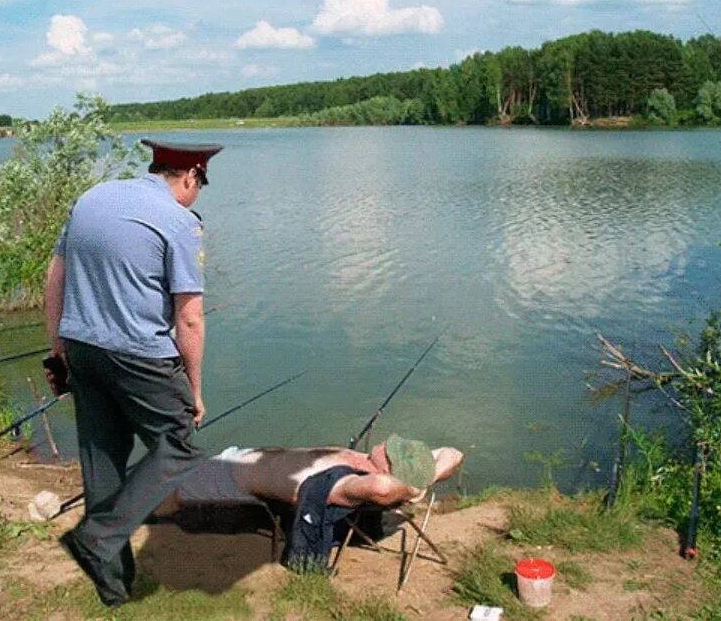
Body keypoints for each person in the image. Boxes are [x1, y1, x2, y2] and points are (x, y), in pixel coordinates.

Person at [44, 138, 223, 607]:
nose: (196, 194)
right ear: (190, 177)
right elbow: (189, 317)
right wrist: (194, 390)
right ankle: (98, 535)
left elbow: (54, 277)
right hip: (140, 356)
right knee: (178, 442)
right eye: (199, 185)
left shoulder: (93, 197)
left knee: (103, 462)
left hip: (82, 349)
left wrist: (57, 350)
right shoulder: (179, 221)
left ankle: (113, 587)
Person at [156, 435, 464, 513]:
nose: (386, 442)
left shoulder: (349, 483)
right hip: (248, 457)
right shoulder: (368, 465)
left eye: (391, 448)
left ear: (389, 467)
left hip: (231, 477)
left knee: (158, 492)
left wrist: (410, 488)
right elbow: (453, 454)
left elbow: (382, 488)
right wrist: (424, 478)